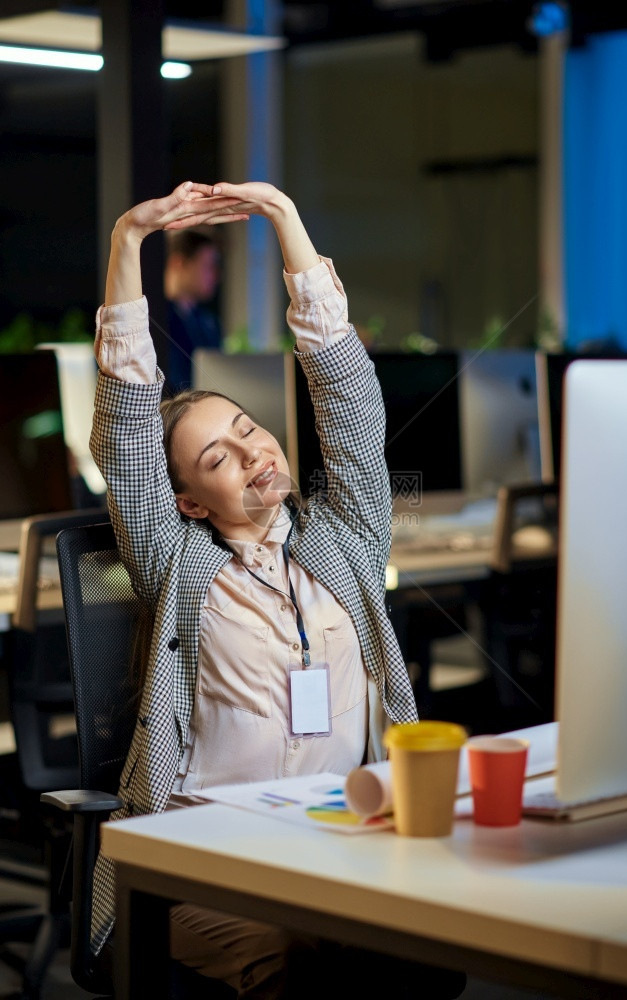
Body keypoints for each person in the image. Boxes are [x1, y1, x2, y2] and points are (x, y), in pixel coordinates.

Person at [90, 180, 465, 998]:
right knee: (296, 968)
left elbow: (350, 400)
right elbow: (124, 428)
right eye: (217, 458)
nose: (251, 450)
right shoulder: (176, 558)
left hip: (342, 835)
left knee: (427, 957)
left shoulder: (346, 537)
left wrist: (287, 220)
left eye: (247, 429)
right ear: (188, 500)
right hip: (206, 852)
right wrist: (128, 240)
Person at [164, 227, 222, 389]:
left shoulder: (207, 322)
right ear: (179, 263)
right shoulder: (155, 318)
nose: (215, 276)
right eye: (208, 266)